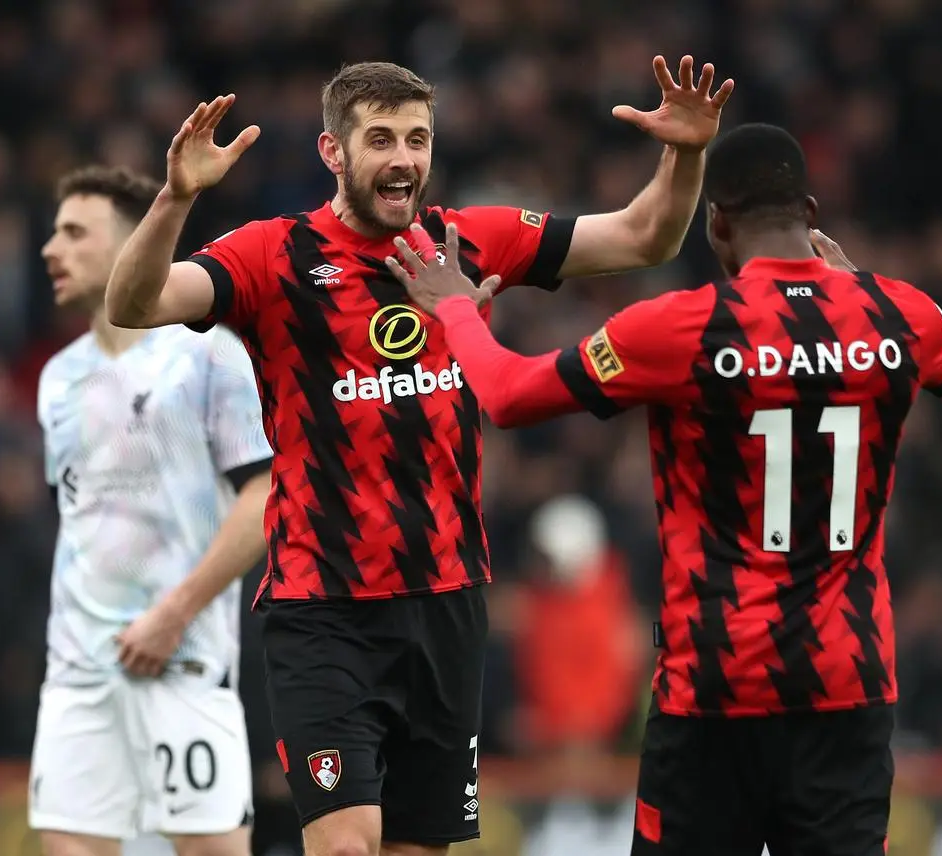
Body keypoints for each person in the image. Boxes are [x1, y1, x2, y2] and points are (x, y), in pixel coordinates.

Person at [103, 57, 731, 856]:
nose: (403, 157)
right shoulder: (273, 255)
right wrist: (176, 198)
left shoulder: (469, 241)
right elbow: (135, 302)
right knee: (344, 845)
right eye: (380, 139)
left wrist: (684, 153)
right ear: (334, 152)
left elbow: (645, 237)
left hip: (445, 603)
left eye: (417, 138)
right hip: (322, 604)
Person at [384, 123, 942, 856]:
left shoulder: (682, 328)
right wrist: (855, 284)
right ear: (813, 214)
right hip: (847, 684)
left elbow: (509, 396)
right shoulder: (897, 312)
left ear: (717, 223)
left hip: (715, 686)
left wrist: (453, 308)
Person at [31, 165, 273, 856]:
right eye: (54, 233)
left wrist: (173, 612)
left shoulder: (207, 357)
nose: (52, 249)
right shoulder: (58, 379)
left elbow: (266, 494)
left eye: (75, 233)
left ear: (131, 241)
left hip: (182, 661)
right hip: (78, 674)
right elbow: (79, 521)